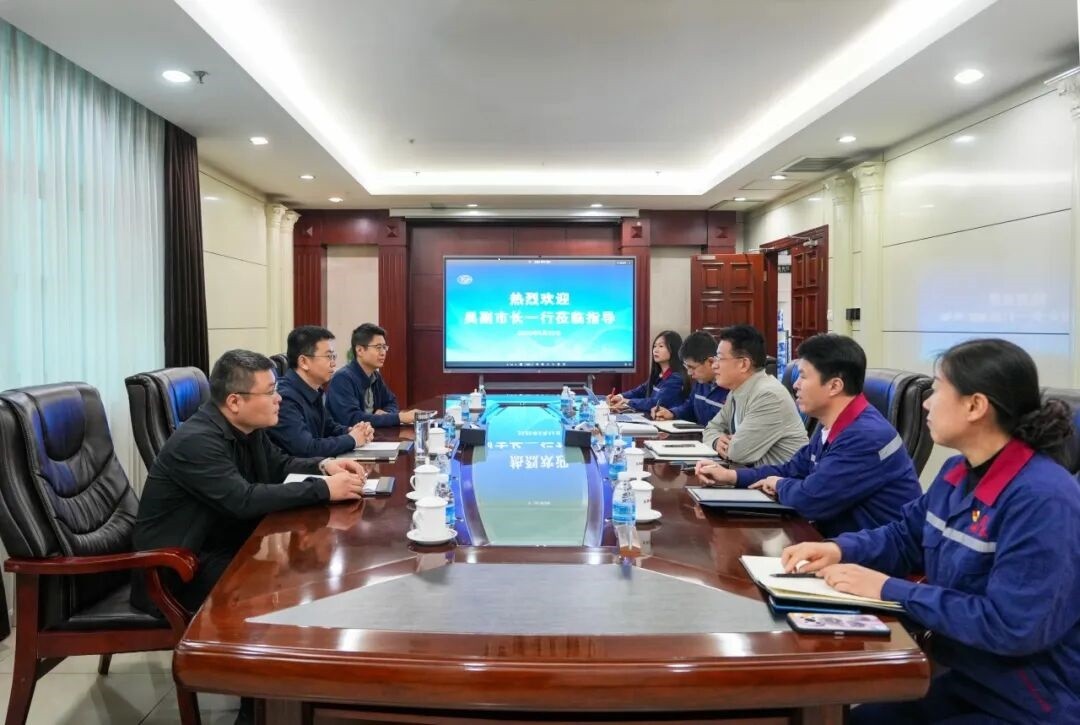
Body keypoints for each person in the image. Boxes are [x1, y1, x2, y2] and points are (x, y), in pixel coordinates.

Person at [781, 339, 1079, 724]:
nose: (926, 403)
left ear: (975, 406)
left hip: (1032, 703)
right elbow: (905, 536)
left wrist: (889, 589)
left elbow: (1011, 625)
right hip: (970, 679)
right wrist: (839, 549)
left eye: (937, 389)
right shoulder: (956, 473)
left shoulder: (1042, 499)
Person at [132, 349, 369, 614]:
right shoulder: (196, 442)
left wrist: (324, 466)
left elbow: (279, 465)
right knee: (295, 591)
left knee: (307, 577)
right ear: (234, 401)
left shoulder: (247, 428)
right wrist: (323, 489)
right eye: (270, 392)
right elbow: (242, 500)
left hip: (222, 548)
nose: (279, 398)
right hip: (177, 573)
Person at [696, 333, 921, 536]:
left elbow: (812, 499)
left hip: (867, 557)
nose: (795, 385)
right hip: (833, 542)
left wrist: (779, 485)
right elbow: (792, 470)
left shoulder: (865, 436)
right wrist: (731, 477)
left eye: (803, 377)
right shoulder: (832, 426)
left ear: (834, 386)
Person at [699, 325, 807, 465]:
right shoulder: (737, 391)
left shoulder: (768, 396)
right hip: (749, 474)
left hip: (779, 478)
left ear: (743, 364)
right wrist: (716, 441)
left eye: (720, 358)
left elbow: (737, 452)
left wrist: (730, 444)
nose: (714, 365)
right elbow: (710, 428)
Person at [268, 325, 374, 457]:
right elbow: (306, 448)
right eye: (329, 356)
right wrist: (352, 440)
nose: (333, 363)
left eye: (334, 357)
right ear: (303, 362)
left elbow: (328, 427)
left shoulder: (313, 390)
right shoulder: (284, 398)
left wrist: (353, 431)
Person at [327, 322, 417, 428]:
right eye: (378, 347)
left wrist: (387, 413)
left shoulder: (375, 376)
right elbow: (352, 419)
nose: (383, 353)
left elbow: (391, 402)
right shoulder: (342, 379)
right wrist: (398, 418)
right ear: (360, 350)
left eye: (384, 347)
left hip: (372, 435)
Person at [651, 330, 728, 426]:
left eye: (692, 367)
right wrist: (672, 413)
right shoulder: (700, 383)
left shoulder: (729, 387)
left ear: (711, 362)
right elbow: (690, 407)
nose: (689, 373)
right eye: (687, 367)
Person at [608, 330, 689, 414]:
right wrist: (620, 397)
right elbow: (641, 390)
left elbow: (656, 403)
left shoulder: (676, 378)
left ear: (674, 349)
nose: (655, 350)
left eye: (661, 346)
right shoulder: (658, 375)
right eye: (654, 346)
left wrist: (627, 401)